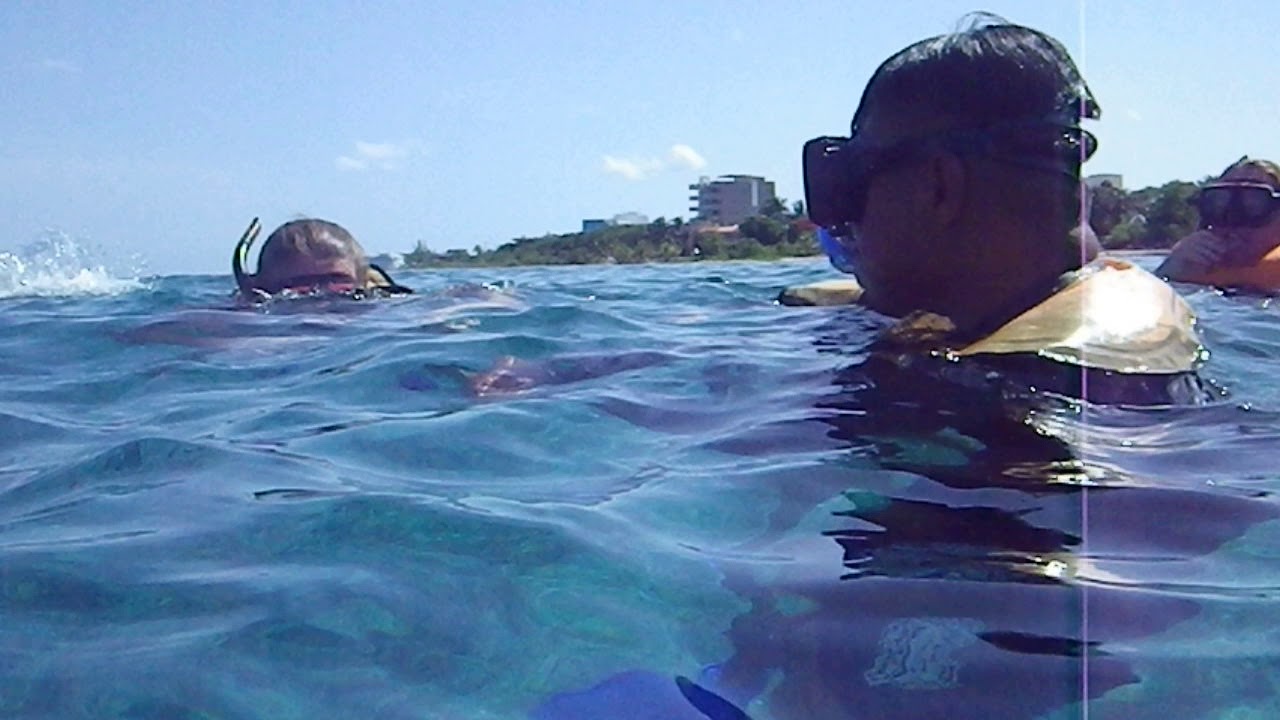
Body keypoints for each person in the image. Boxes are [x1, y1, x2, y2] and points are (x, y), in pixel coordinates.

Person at [788, 16, 1205, 399]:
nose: (848, 221)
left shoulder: (1019, 403)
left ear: (940, 187)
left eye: (855, 179)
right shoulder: (1123, 344)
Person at [1156, 156, 1280, 291]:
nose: (1235, 219)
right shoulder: (1189, 266)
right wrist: (1170, 268)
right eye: (1222, 202)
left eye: (1253, 203)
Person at [232, 217, 412, 301]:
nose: (321, 294)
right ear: (264, 287)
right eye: (299, 285)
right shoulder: (250, 318)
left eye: (338, 280)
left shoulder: (388, 305)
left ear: (362, 280)